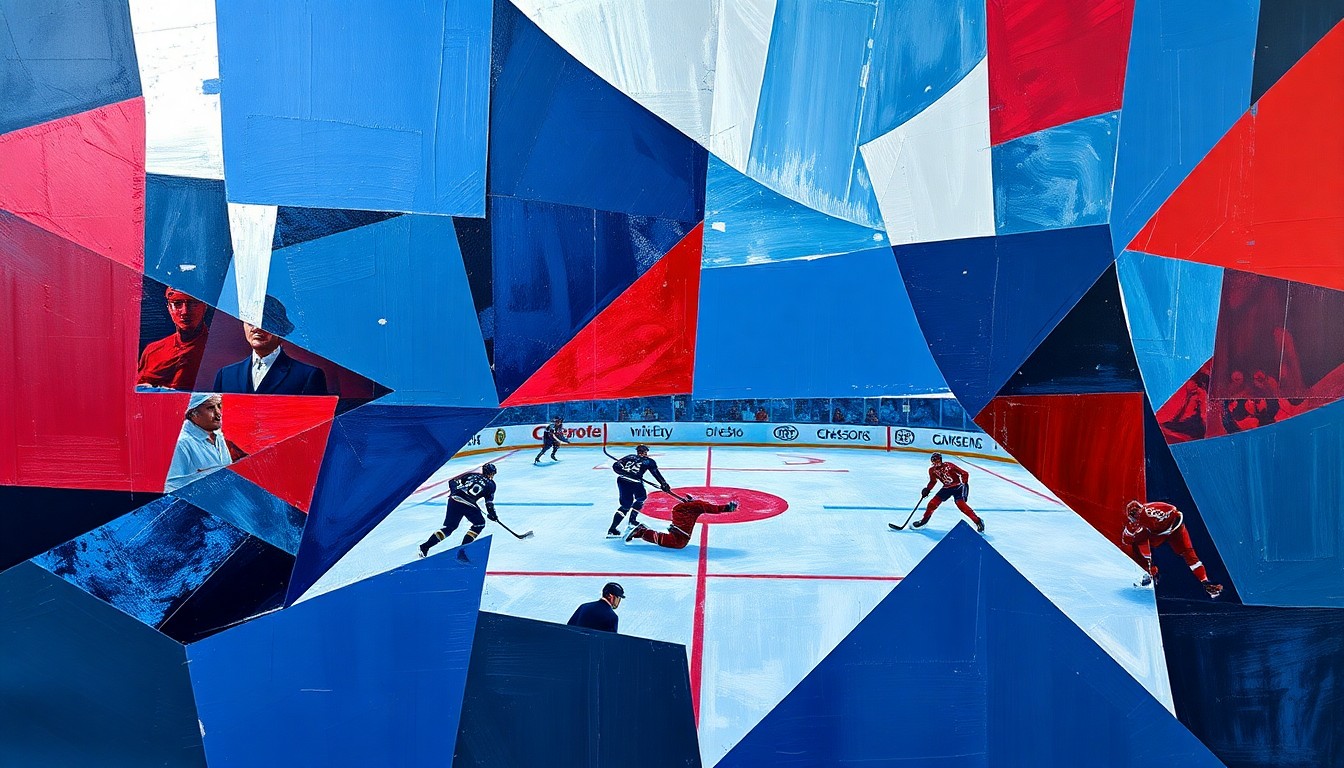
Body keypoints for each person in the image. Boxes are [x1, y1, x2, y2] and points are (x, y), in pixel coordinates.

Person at [1122, 500, 1223, 598]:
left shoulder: (1143, 520)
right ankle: (1204, 580)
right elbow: (1173, 509)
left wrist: (1130, 533)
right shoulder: (1150, 507)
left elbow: (1128, 540)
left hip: (1167, 530)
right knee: (1189, 554)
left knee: (1138, 543)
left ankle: (1150, 572)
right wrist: (1204, 581)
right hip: (1175, 526)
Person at [213, 321, 328, 395]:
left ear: (281, 329)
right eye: (250, 322)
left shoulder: (308, 376)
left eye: (265, 322)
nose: (256, 328)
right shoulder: (225, 375)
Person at [418, 463, 498, 557]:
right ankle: (462, 550)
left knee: (449, 528)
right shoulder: (491, 485)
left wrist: (454, 492)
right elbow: (489, 504)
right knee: (479, 524)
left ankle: (425, 547)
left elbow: (452, 482)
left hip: (454, 500)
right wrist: (493, 515)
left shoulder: (471, 475)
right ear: (491, 473)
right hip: (468, 505)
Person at [137, 287, 210, 390]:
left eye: (193, 303)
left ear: (205, 306)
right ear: (169, 308)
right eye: (177, 304)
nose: (185, 312)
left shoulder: (218, 351)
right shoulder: (152, 351)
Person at [165, 393, 233, 492]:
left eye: (219, 406)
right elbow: (171, 487)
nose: (218, 414)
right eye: (210, 408)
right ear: (193, 413)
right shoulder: (182, 443)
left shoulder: (218, 436)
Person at [909, 452, 985, 533]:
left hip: (957, 487)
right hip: (946, 488)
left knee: (962, 505)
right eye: (934, 460)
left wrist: (964, 484)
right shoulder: (932, 470)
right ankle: (924, 520)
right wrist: (927, 489)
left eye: (938, 460)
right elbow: (933, 481)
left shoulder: (949, 465)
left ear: (941, 460)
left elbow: (964, 473)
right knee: (932, 504)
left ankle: (978, 521)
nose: (936, 462)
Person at [607, 445, 671, 538]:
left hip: (625, 481)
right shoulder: (648, 461)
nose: (642, 453)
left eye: (642, 451)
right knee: (627, 505)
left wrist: (664, 484)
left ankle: (631, 521)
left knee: (641, 498)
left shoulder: (631, 457)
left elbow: (616, 466)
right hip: (628, 481)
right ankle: (613, 529)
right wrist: (663, 483)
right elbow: (616, 466)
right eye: (641, 451)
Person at [625, 497, 737, 549]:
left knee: (679, 540)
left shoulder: (696, 505)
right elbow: (712, 508)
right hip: (683, 512)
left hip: (681, 510)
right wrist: (727, 508)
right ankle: (642, 532)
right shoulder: (698, 505)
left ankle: (646, 531)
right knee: (679, 542)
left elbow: (710, 508)